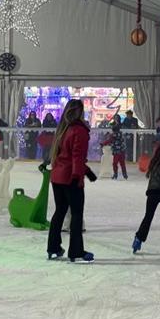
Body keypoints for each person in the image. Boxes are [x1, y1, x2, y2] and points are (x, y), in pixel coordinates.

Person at [46, 99, 96, 263]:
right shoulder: (79, 130)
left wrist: (87, 172)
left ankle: (53, 247)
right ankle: (76, 251)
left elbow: (65, 156)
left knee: (59, 212)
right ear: (80, 112)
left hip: (57, 177)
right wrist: (77, 176)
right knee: (76, 214)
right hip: (70, 178)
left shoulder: (63, 129)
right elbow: (76, 156)